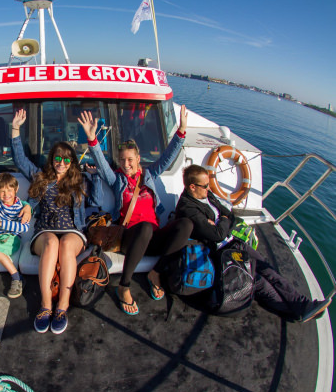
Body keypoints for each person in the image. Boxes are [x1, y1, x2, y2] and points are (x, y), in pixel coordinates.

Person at [174, 164, 331, 322]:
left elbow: (229, 214)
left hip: (232, 242)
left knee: (267, 268)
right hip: (220, 252)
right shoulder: (188, 208)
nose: (209, 188)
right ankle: (294, 311)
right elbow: (217, 235)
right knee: (257, 280)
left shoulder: (207, 196)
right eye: (205, 186)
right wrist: (223, 221)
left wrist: (220, 221)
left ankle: (303, 305)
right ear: (192, 187)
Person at [78, 106, 193, 316]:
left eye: (130, 159)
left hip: (153, 238)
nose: (126, 164)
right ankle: (124, 285)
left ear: (138, 159)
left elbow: (167, 157)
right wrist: (92, 139)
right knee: (146, 228)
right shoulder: (117, 180)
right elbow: (102, 166)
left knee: (186, 225)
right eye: (122, 160)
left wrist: (181, 132)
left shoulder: (148, 176)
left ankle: (155, 273)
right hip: (131, 238)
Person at [12, 108, 102, 335]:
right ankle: (46, 304)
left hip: (73, 230)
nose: (61, 163)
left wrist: (95, 168)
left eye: (66, 159)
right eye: (57, 159)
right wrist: (15, 129)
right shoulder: (41, 177)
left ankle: (62, 305)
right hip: (45, 231)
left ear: (71, 162)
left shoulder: (80, 181)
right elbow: (20, 159)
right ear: (52, 160)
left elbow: (98, 200)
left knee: (65, 245)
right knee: (52, 243)